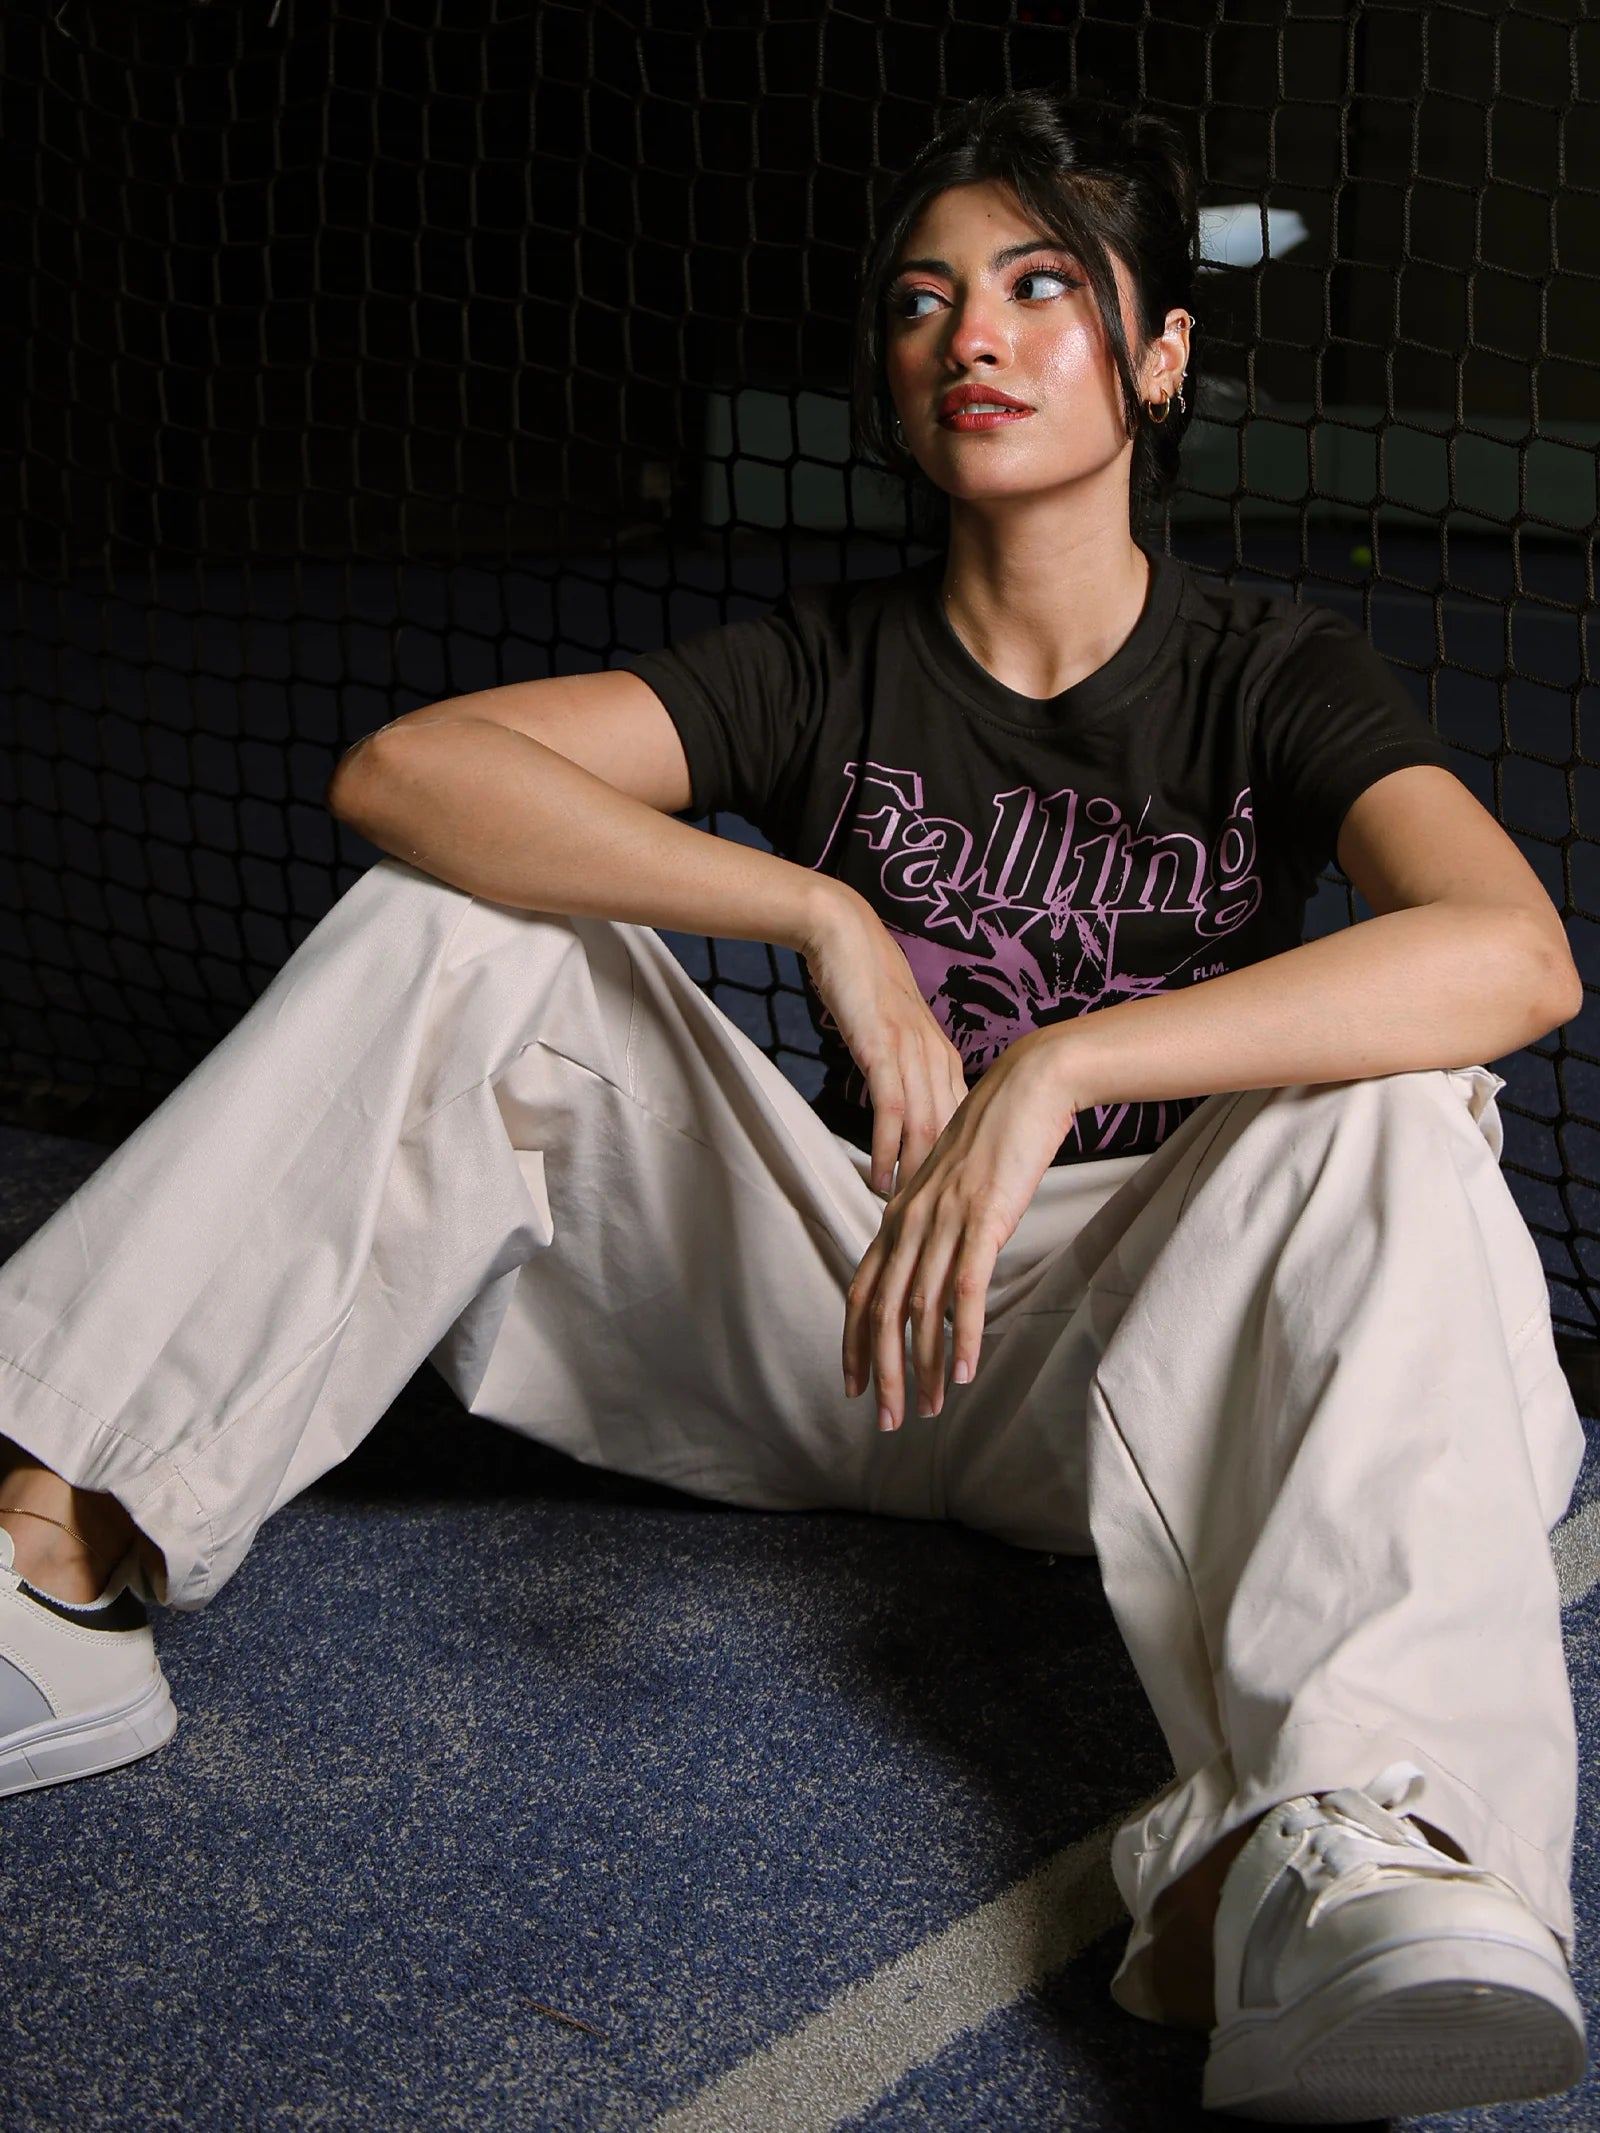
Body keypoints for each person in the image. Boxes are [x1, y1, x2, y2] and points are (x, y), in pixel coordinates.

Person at [0, 87, 1588, 2124]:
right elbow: (410, 769)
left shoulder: (1267, 669)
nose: (972, 338)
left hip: (1132, 1357)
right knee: (465, 931)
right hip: (828, 1304)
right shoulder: (823, 659)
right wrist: (817, 911)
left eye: (1039, 286)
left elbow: (1508, 951)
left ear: (1160, 352)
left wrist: (1067, 1061)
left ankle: (1351, 1850)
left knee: (1393, 1103)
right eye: (924, 302)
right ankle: (54, 1558)